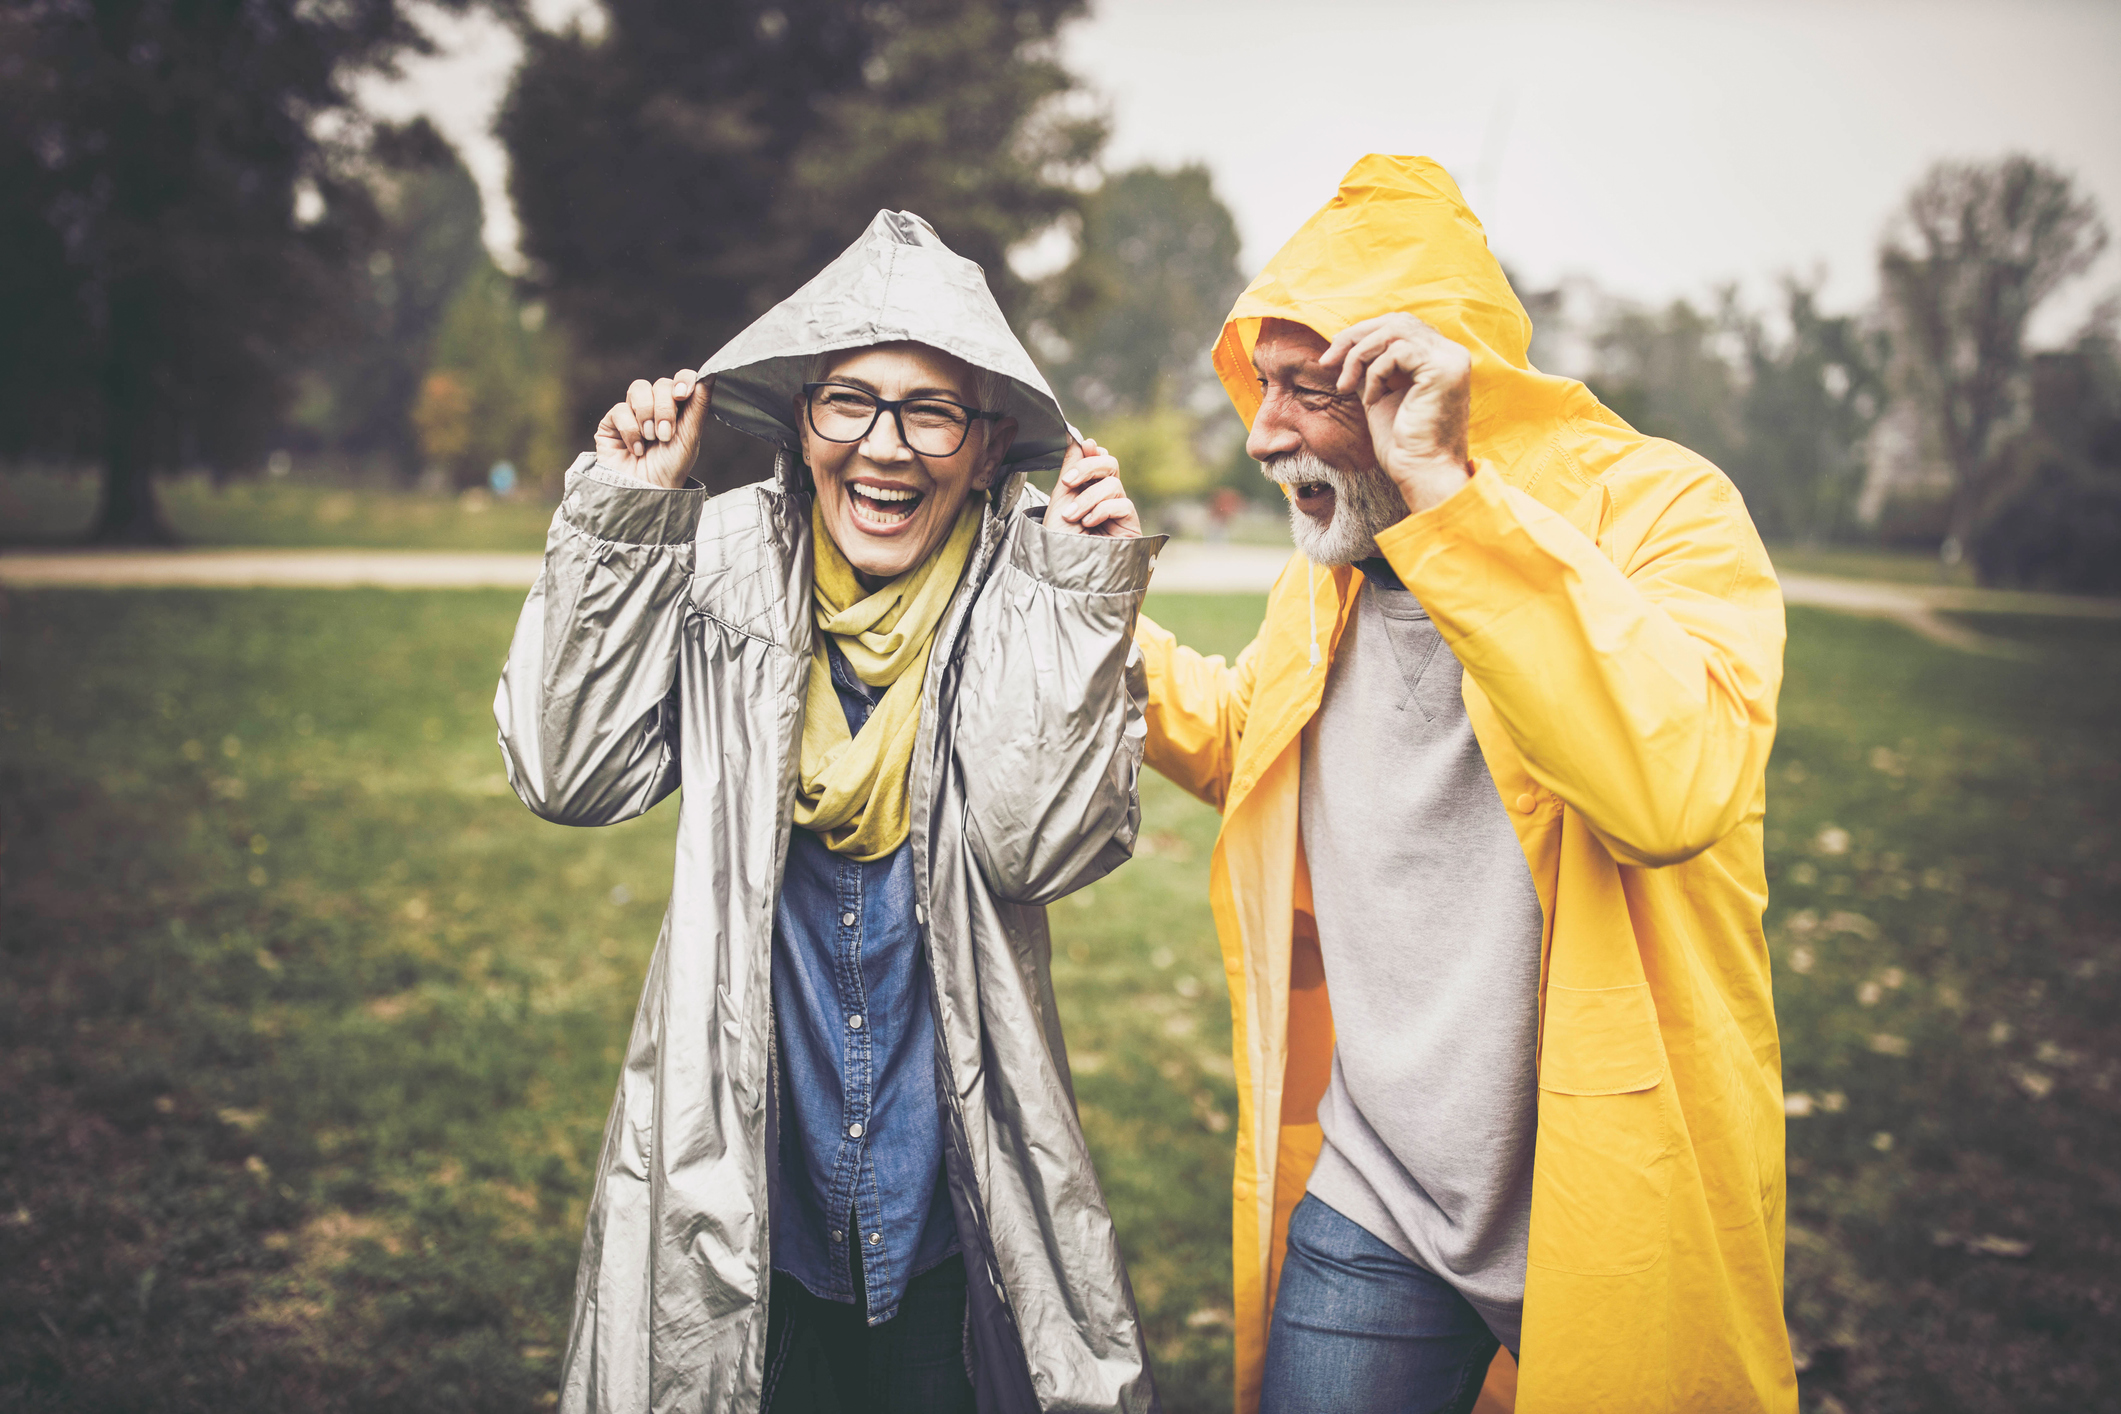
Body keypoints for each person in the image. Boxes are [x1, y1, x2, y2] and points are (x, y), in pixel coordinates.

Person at [1137, 156, 1795, 1413]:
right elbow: (1254, 740)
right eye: (1260, 388)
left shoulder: (1665, 512)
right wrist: (1105, 622)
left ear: (1416, 388)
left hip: (1614, 1194)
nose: (1262, 432)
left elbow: (1673, 786)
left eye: (1301, 391)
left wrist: (1447, 496)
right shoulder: (1326, 576)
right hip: (1379, 1188)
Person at [496, 210, 1160, 1414]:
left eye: (932, 410)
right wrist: (621, 515)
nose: (886, 446)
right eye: (849, 400)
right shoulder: (724, 566)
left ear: (987, 440)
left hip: (948, 1190)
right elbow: (568, 770)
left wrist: (1080, 601)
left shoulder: (1029, 587)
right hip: (753, 1181)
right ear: (802, 422)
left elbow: (1038, 842)